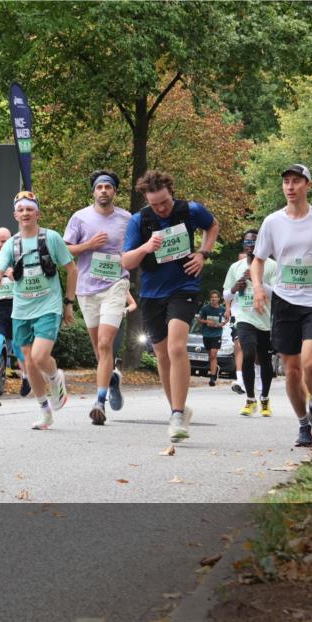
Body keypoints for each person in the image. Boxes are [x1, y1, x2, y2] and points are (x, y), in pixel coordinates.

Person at [250, 164, 312, 447]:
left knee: (310, 362)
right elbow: (258, 260)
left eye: (296, 181)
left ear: (308, 185)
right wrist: (258, 288)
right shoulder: (272, 222)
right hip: (284, 301)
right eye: (286, 182)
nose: (290, 187)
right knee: (291, 369)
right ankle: (304, 424)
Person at [122, 170, 220, 447]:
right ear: (147, 200)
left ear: (170, 193)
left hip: (183, 288)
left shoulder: (189, 210)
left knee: (177, 348)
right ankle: (177, 408)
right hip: (152, 294)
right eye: (155, 204)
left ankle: (177, 415)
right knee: (162, 354)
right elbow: (127, 262)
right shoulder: (138, 221)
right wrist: (146, 247)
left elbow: (212, 226)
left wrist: (203, 253)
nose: (161, 208)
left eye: (164, 202)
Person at [0, 190, 77, 430]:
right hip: (21, 311)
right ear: (15, 214)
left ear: (37, 212)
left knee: (39, 357)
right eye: (21, 209)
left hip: (48, 306)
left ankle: (56, 378)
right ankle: (45, 411)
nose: (25, 213)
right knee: (28, 363)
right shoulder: (11, 244)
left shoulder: (52, 238)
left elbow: (72, 269)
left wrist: (68, 304)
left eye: (30, 209)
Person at [64, 169, 132, 425]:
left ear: (115, 191)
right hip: (87, 289)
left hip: (116, 284)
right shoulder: (80, 218)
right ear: (93, 191)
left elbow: (136, 247)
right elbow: (65, 250)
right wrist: (88, 246)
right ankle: (112, 379)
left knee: (105, 345)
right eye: (99, 187)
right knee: (99, 352)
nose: (104, 191)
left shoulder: (127, 218)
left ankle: (99, 402)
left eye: (108, 187)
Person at [223, 229, 278, 416]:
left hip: (265, 318)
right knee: (248, 352)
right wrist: (235, 287)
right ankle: (250, 399)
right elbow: (226, 294)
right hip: (244, 317)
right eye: (247, 242)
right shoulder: (235, 267)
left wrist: (258, 282)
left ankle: (265, 399)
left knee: (264, 359)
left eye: (254, 242)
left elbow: (278, 294)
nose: (250, 245)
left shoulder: (272, 266)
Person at [0, 226, 29, 406]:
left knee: (17, 349)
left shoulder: (22, 258)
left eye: (4, 241)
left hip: (17, 309)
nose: (0, 245)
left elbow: (29, 282)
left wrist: (14, 273)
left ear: (11, 242)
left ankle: (26, 376)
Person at [195, 290, 227, 386]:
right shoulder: (205, 308)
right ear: (210, 299)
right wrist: (207, 322)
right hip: (207, 335)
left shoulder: (222, 309)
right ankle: (215, 369)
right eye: (212, 297)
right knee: (210, 356)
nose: (213, 299)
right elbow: (199, 319)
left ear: (218, 298)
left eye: (215, 297)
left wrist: (222, 324)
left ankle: (212, 378)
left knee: (213, 354)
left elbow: (227, 319)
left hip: (217, 334)